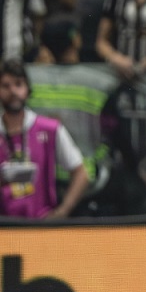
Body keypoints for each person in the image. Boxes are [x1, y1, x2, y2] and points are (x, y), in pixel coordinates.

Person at [0, 60, 90, 220]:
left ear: (28, 89)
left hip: (41, 223)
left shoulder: (50, 129)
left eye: (18, 84)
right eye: (6, 86)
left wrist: (62, 212)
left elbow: (81, 173)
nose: (13, 91)